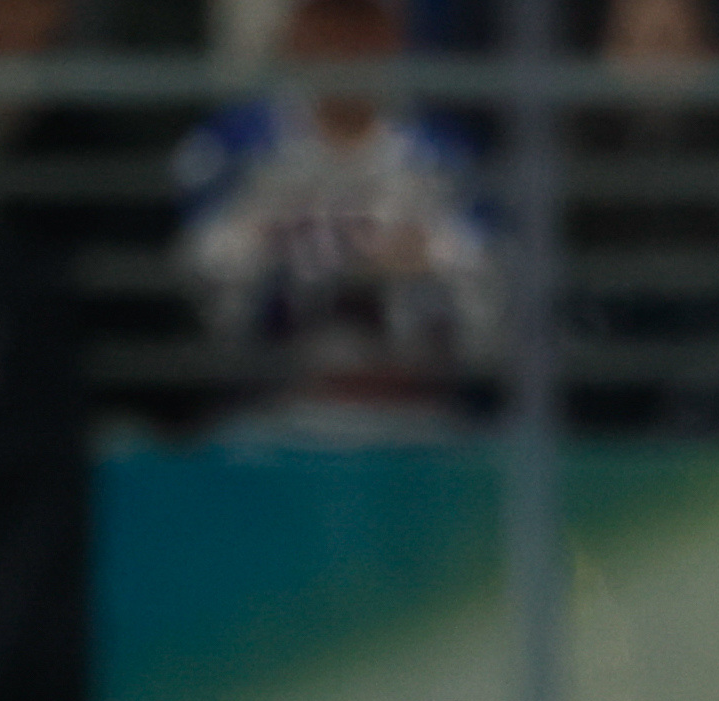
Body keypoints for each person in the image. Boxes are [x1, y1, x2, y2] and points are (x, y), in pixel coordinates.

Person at [174, 0, 500, 430]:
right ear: (295, 36)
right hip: (271, 416)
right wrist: (290, 248)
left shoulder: (444, 150)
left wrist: (427, 258)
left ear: (394, 38)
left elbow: (491, 302)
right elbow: (196, 278)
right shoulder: (236, 142)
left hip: (418, 417)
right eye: (327, 30)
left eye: (362, 32)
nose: (345, 51)